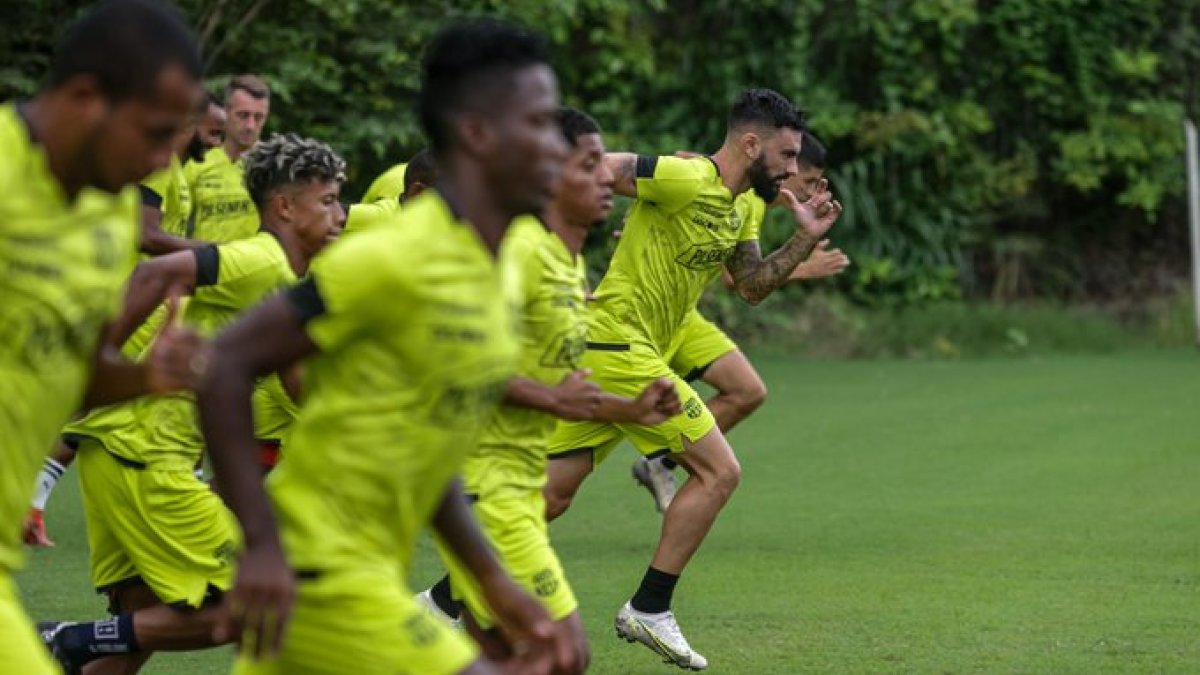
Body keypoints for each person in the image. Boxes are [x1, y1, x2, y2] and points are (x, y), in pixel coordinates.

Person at [196, 19, 573, 675]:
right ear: (478, 134)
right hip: (316, 573)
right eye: (539, 125)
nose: (558, 150)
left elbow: (431, 452)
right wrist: (258, 544)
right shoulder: (391, 256)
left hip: (367, 572)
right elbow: (226, 361)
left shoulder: (502, 272)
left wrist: (495, 582)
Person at [543, 88, 842, 670]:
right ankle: (649, 607)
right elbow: (590, 169)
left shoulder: (737, 209)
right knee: (720, 470)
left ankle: (442, 602)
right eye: (784, 157)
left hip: (626, 350)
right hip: (616, 342)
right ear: (750, 143)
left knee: (550, 496)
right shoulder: (684, 176)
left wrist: (803, 234)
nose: (790, 171)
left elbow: (751, 286)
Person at [40, 134, 347, 675]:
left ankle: (81, 643)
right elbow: (154, 271)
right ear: (284, 207)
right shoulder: (263, 260)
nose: (341, 215)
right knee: (262, 603)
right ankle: (71, 637)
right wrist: (100, 361)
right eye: (327, 201)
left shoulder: (284, 284)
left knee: (135, 639)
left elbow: (295, 383)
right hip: (147, 457)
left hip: (118, 452)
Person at [420, 107, 681, 672]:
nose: (605, 177)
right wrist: (554, 401)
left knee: (514, 652)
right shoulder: (519, 254)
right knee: (557, 650)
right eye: (588, 166)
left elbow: (557, 385)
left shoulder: (568, 271)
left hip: (514, 489)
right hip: (480, 487)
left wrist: (629, 408)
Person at [0, 1, 205, 672]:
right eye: (153, 135)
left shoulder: (111, 215)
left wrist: (149, 376)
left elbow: (76, 369)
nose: (157, 163)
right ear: (86, 97)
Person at [633, 131, 850, 512]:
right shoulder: (742, 189)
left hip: (683, 316)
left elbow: (747, 282)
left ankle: (659, 462)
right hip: (638, 315)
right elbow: (737, 281)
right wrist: (803, 266)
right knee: (570, 455)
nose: (809, 185)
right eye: (808, 178)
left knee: (747, 391)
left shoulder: (755, 203)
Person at [188, 74, 270, 242]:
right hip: (208, 264)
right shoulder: (198, 159)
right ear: (225, 112)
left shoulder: (271, 164)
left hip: (254, 265)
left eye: (258, 117)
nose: (250, 126)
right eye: (243, 115)